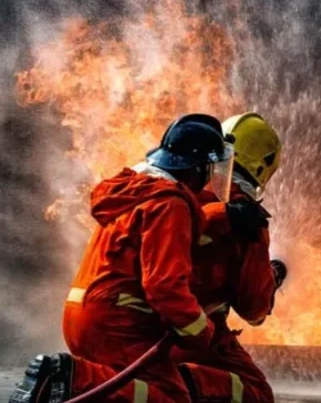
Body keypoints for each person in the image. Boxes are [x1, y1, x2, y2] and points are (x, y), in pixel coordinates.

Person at [10, 114, 239, 403]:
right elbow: (165, 286)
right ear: (197, 169)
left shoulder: (137, 192)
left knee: (126, 391)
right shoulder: (170, 205)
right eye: (209, 170)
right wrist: (201, 332)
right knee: (171, 398)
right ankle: (70, 379)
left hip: (81, 314)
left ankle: (69, 382)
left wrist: (224, 215)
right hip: (117, 322)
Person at [171, 112, 286, 403]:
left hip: (137, 325)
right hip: (191, 332)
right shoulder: (247, 217)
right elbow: (253, 310)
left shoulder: (181, 185)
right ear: (264, 166)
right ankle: (181, 383)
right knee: (256, 393)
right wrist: (272, 278)